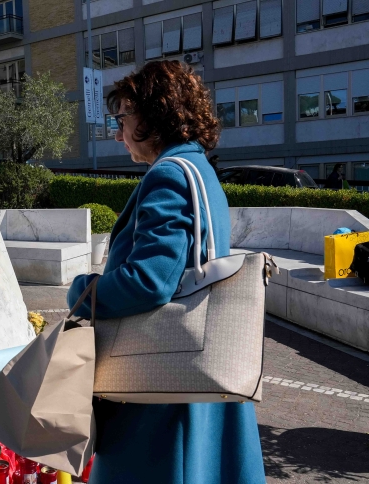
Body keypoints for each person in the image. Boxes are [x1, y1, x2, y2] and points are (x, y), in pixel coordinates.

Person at [67, 61, 266, 483]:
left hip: (159, 387)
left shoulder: (168, 175)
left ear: (154, 115)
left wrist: (82, 292)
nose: (118, 133)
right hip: (196, 369)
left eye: (122, 118)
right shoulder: (199, 169)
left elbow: (151, 280)